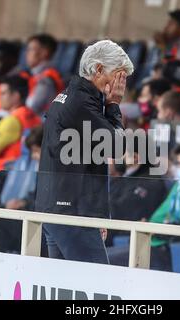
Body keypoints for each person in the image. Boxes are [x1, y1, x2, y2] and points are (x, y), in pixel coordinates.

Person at [36, 40, 134, 264]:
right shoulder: (81, 103)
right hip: (72, 214)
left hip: (60, 211)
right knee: (97, 288)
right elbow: (117, 148)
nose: (121, 86)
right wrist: (114, 104)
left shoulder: (70, 96)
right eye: (118, 76)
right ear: (99, 69)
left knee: (66, 289)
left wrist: (98, 214)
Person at [108, 142, 180, 271]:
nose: (175, 167)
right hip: (153, 242)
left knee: (105, 259)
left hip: (167, 248)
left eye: (179, 164)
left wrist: (158, 230)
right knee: (104, 256)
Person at [0, 34, 65, 117]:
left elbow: (31, 110)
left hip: (37, 127)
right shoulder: (31, 75)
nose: (26, 53)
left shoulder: (46, 81)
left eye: (30, 49)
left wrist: (5, 113)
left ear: (44, 53)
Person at [0, 76, 41, 174]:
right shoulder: (35, 117)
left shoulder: (11, 121)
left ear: (16, 96)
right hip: (22, 172)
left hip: (3, 174)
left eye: (3, 93)